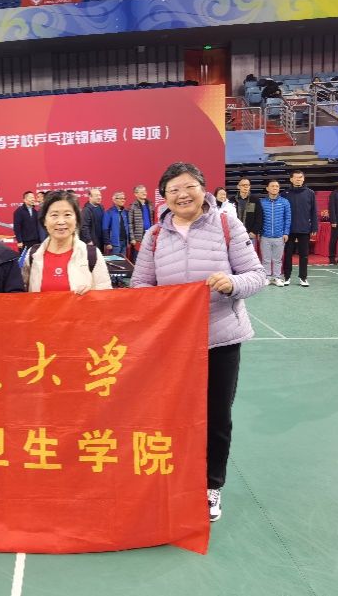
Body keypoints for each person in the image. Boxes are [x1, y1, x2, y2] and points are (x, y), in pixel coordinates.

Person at [131, 162, 266, 522]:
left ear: (203, 189)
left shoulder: (227, 224)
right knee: (172, 415)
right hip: (173, 345)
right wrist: (161, 302)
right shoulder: (154, 236)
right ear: (164, 197)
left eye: (189, 186)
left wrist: (233, 284)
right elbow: (140, 285)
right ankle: (174, 478)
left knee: (217, 417)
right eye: (173, 189)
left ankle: (211, 485)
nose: (182, 195)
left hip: (220, 339)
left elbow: (257, 275)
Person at [22, 190, 111, 293]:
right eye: (54, 215)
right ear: (44, 220)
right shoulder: (33, 255)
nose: (61, 222)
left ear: (76, 219)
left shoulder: (91, 255)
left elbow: (106, 296)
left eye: (67, 214)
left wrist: (91, 295)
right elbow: (22, 294)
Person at [282, 170, 318, 285]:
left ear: (303, 179)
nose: (298, 179)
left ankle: (303, 277)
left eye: (300, 177)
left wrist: (314, 227)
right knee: (288, 254)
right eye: (296, 177)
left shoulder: (310, 193)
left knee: (304, 255)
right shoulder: (285, 194)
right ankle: (287, 277)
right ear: (291, 179)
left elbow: (314, 211)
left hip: (304, 229)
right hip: (289, 230)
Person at [258, 179, 291, 286]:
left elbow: (288, 218)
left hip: (279, 236)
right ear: (267, 188)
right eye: (272, 186)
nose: (275, 188)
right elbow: (259, 219)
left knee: (277, 260)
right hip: (265, 236)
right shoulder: (262, 202)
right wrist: (259, 232)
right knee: (266, 259)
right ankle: (267, 277)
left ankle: (277, 277)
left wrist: (286, 233)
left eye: (277, 186)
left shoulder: (285, 202)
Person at [128, 184, 156, 258]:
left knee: (148, 257)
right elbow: (130, 223)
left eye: (145, 191)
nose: (145, 193)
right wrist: (132, 238)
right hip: (138, 238)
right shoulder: (132, 206)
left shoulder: (150, 204)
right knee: (137, 258)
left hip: (149, 235)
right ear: (136, 194)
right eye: (142, 192)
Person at [102, 191, 131, 256]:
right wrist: (107, 243)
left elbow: (128, 227)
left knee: (123, 260)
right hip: (114, 244)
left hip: (124, 243)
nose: (123, 200)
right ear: (114, 200)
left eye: (124, 198)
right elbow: (105, 228)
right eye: (121, 198)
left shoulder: (125, 212)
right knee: (115, 261)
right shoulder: (109, 212)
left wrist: (128, 241)